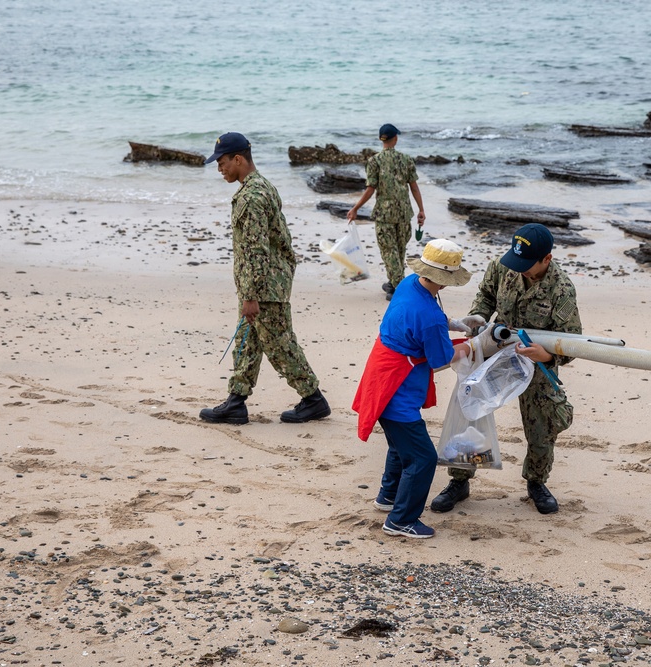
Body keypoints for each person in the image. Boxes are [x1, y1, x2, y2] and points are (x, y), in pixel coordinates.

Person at [430, 223, 581, 515]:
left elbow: (572, 343)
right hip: (495, 347)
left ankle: (536, 482)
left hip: (535, 361)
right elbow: (486, 295)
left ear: (546, 259)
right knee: (469, 410)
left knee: (542, 426)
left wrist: (547, 357)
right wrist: (480, 315)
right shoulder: (503, 266)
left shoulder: (561, 290)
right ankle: (460, 479)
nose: (519, 269)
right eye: (517, 262)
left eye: (527, 265)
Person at [352, 239, 493, 538]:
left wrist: (454, 324)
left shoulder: (409, 283)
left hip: (382, 376)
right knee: (423, 458)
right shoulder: (428, 316)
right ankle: (400, 520)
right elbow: (441, 359)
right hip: (396, 388)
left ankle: (388, 497)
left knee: (400, 445)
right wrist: (472, 345)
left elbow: (425, 320)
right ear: (445, 279)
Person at [198, 132, 330, 425]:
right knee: (248, 342)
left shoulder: (253, 196)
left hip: (265, 286)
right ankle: (236, 401)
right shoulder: (260, 187)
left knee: (280, 344)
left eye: (221, 163)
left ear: (238, 159)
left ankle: (313, 399)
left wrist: (250, 295)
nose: (219, 169)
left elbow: (256, 249)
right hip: (265, 283)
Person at [345, 123, 426, 301]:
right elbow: (414, 187)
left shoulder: (374, 161)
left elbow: (370, 189)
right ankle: (394, 283)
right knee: (398, 250)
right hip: (404, 212)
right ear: (395, 138)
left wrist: (355, 208)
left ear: (382, 139)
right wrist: (421, 209)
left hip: (384, 214)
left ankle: (398, 288)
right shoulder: (406, 159)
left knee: (389, 252)